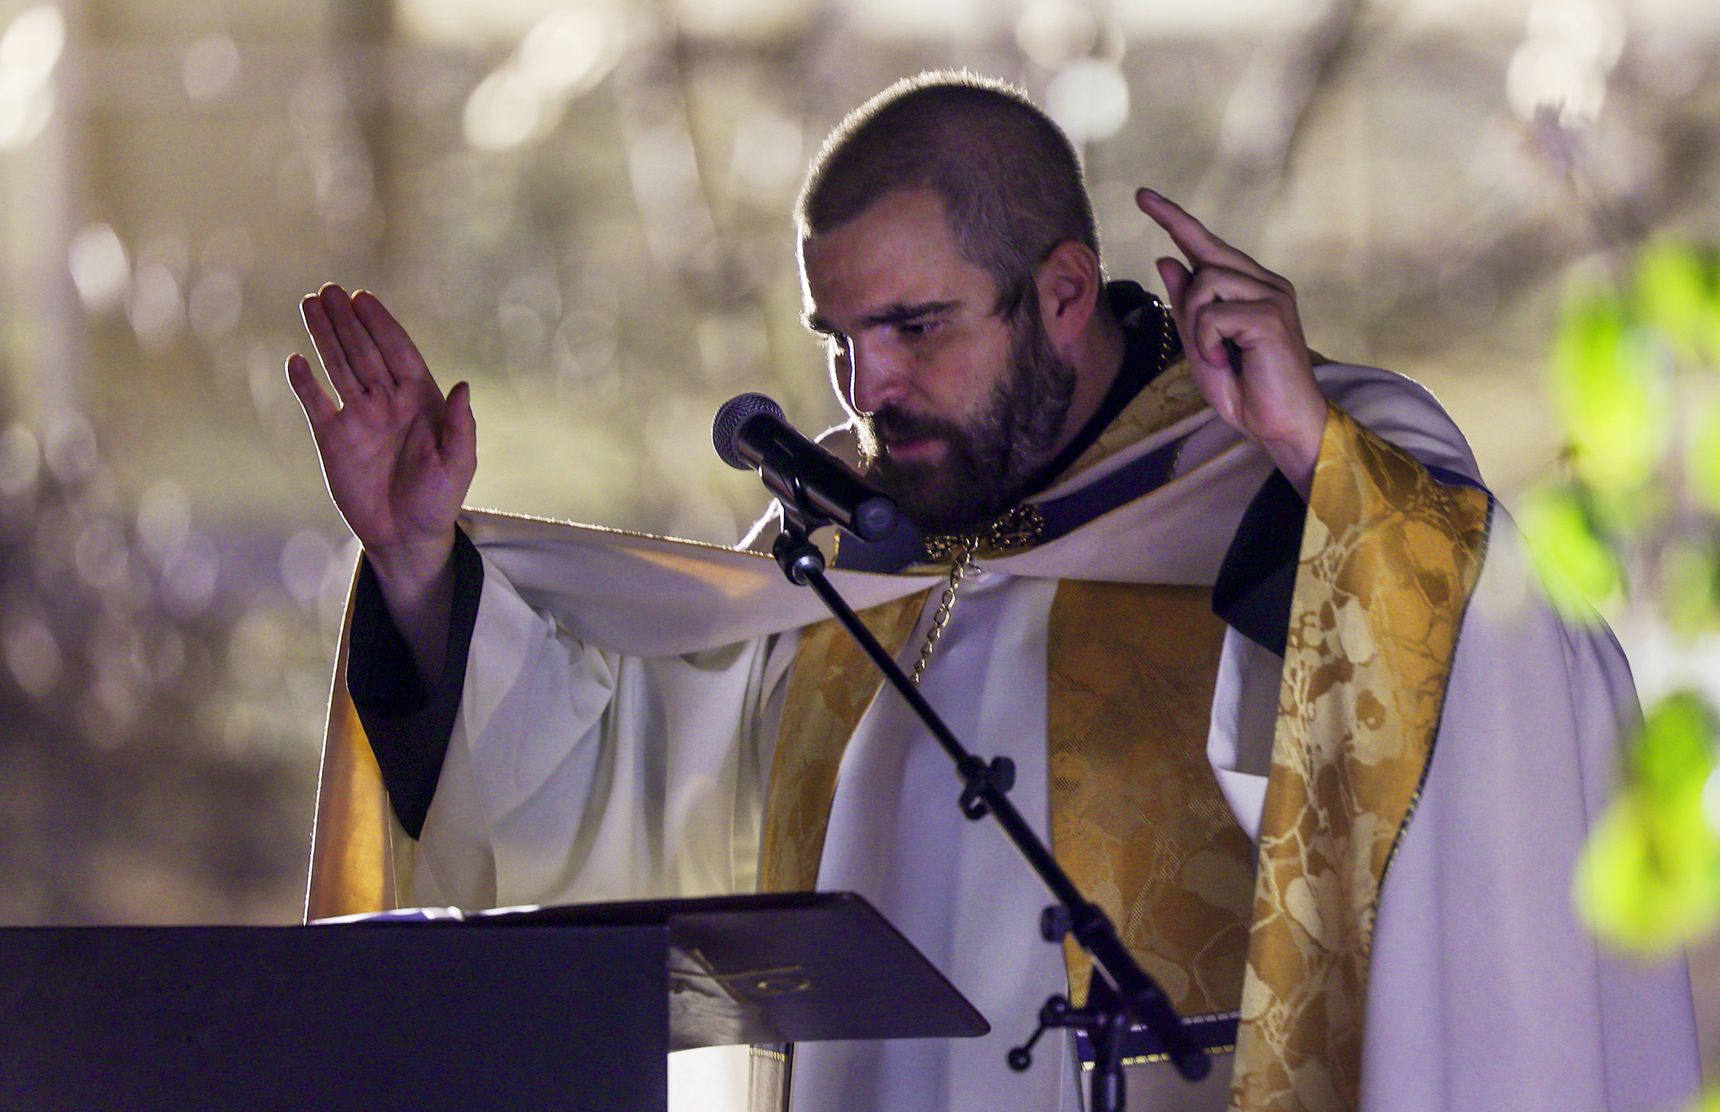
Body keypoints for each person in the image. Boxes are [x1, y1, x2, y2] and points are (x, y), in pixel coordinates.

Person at [292, 73, 1700, 1111]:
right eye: (838, 338)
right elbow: (606, 796)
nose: (867, 387)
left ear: (1067, 290)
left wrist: (1308, 458)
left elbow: (1513, 693)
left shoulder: (1298, 469)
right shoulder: (840, 554)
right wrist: (423, 568)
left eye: (916, 326)